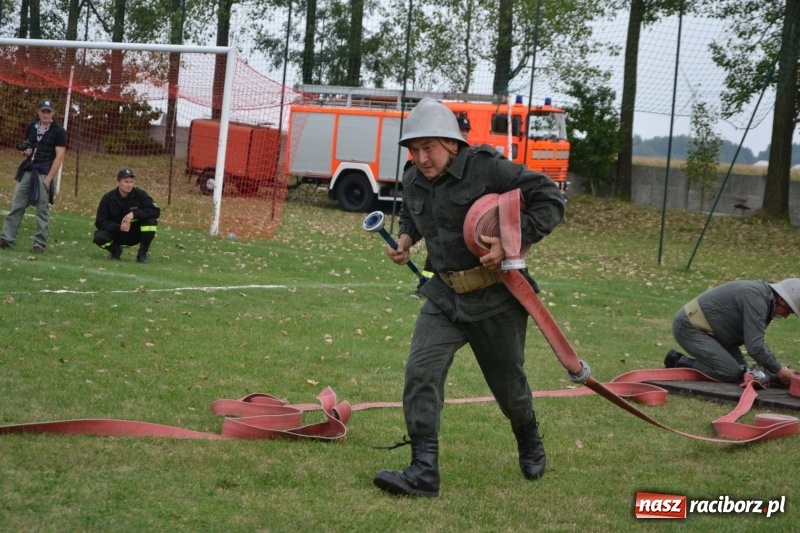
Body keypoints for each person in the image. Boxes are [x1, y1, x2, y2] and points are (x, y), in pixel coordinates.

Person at [373, 97, 566, 498]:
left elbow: (551, 199)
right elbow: (413, 214)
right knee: (420, 374)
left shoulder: (487, 167)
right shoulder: (412, 178)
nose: (422, 158)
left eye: (430, 148)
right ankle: (423, 471)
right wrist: (406, 238)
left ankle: (529, 438)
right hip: (443, 297)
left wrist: (513, 242)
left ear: (452, 144)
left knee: (510, 390)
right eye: (414, 149)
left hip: (496, 298)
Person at [665, 278, 799, 387]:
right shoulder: (757, 299)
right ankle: (678, 361)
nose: (787, 316)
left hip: (716, 334)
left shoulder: (766, 299)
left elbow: (755, 340)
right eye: (789, 310)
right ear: (781, 299)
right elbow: (755, 347)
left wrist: (774, 367)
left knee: (742, 371)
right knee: (730, 373)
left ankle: (710, 364)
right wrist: (779, 371)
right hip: (689, 327)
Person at [0, 99, 67, 253]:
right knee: (16, 206)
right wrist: (25, 151)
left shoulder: (59, 131)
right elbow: (27, 147)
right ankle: (7, 239)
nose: (45, 114)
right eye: (43, 111)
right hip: (28, 171)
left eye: (48, 111)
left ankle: (39, 244)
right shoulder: (31, 127)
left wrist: (49, 179)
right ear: (38, 112)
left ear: (53, 113)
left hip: (43, 173)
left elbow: (60, 157)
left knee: (42, 211)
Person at [93, 168, 161, 263]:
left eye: (131, 182)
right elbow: (100, 222)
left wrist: (134, 214)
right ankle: (115, 251)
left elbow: (155, 211)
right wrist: (119, 227)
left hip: (134, 233)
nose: (129, 185)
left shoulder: (140, 194)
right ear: (118, 182)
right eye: (126, 182)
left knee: (151, 222)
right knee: (99, 237)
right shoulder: (108, 198)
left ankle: (142, 255)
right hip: (116, 234)